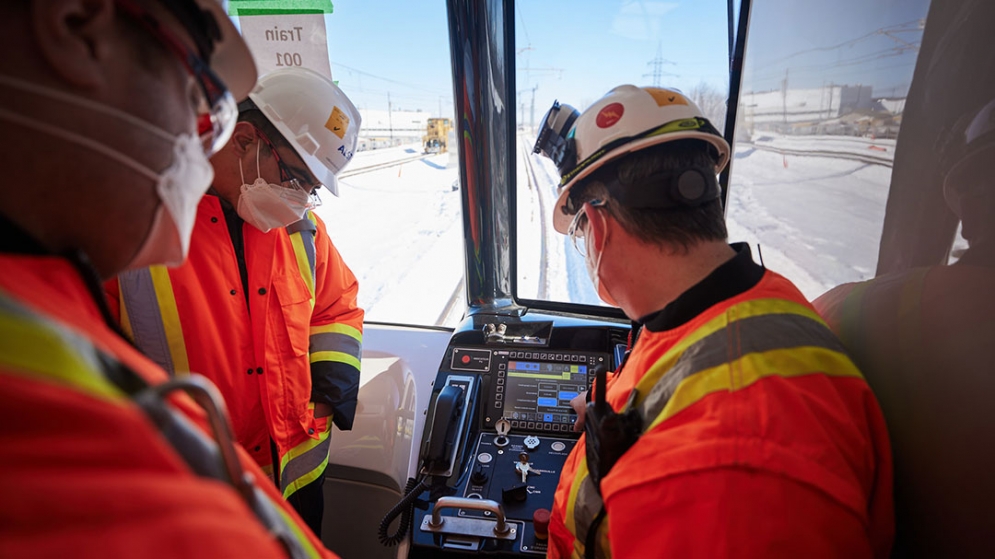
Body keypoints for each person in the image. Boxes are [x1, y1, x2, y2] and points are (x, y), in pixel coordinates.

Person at [0, 0, 334, 557]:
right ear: (76, 25)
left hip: (282, 472)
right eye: (199, 91)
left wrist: (327, 392)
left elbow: (335, 307)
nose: (201, 140)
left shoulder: (48, 291)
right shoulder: (103, 261)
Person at [533, 85, 894, 558]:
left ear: (598, 230)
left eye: (579, 232)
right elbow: (685, 372)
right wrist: (612, 409)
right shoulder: (749, 301)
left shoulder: (728, 468)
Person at [104, 66, 364, 537]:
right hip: (188, 495)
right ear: (245, 139)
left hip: (296, 483)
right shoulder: (132, 230)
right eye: (296, 177)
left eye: (312, 189)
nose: (301, 198)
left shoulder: (303, 232)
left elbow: (337, 308)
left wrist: (327, 396)